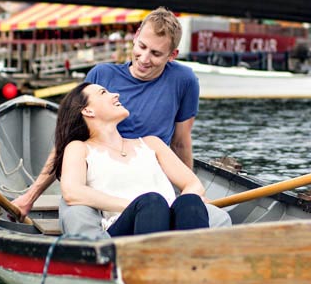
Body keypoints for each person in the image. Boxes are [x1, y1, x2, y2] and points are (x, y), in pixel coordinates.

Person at [12, 6, 231, 234]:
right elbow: (67, 139)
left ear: (172, 56)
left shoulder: (183, 81)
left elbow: (181, 142)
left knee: (203, 211)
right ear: (135, 38)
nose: (144, 59)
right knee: (81, 217)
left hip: (147, 171)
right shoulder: (101, 76)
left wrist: (190, 193)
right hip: (98, 178)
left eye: (156, 54)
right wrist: (31, 195)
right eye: (142, 47)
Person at [51, 82, 209, 236]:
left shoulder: (151, 143)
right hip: (122, 229)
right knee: (152, 202)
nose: (116, 94)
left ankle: (196, 261)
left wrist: (175, 211)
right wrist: (134, 205)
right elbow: (72, 192)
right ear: (88, 111)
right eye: (103, 93)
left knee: (190, 202)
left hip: (168, 220)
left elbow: (194, 184)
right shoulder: (79, 148)